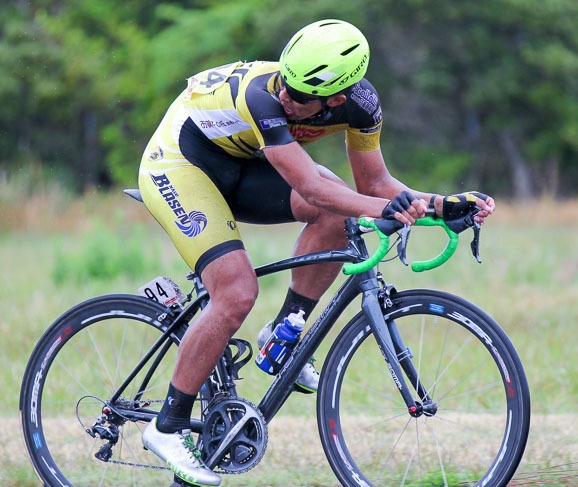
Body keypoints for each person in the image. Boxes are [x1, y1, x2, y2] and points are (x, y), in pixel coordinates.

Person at [137, 19, 495, 486]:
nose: (287, 98)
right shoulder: (263, 96)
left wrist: (442, 206)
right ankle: (166, 427)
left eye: (301, 96)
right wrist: (385, 208)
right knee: (236, 291)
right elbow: (310, 186)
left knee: (338, 213)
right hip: (181, 164)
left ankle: (283, 337)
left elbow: (375, 186)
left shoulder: (361, 107)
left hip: (243, 164)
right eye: (286, 83)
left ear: (337, 99)